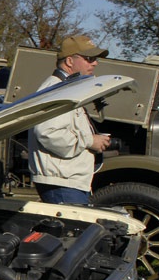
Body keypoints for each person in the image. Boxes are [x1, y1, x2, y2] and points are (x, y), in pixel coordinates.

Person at [28, 35, 111, 205]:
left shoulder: (67, 88)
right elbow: (48, 133)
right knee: (73, 232)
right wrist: (90, 141)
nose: (95, 63)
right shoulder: (57, 90)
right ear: (69, 61)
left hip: (66, 182)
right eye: (89, 59)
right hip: (62, 184)